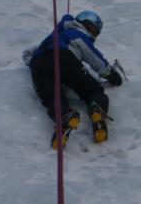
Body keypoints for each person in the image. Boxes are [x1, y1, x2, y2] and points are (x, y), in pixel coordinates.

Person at [23, 10, 123, 148]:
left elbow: (27, 54)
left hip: (38, 65)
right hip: (65, 58)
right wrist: (111, 74)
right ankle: (97, 108)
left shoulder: (52, 38)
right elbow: (94, 58)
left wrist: (35, 64)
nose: (92, 33)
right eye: (92, 29)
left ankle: (65, 115)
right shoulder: (77, 33)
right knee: (93, 90)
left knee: (52, 98)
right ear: (83, 24)